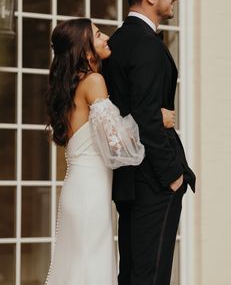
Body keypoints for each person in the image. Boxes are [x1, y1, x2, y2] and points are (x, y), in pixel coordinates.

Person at [44, 18, 174, 285]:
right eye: (99, 34)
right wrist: (155, 119)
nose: (106, 38)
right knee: (92, 270)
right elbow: (119, 146)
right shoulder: (94, 81)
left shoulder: (71, 84)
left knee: (77, 269)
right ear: (87, 50)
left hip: (77, 189)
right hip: (90, 194)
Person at [103, 0, 196, 285]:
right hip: (153, 181)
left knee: (132, 273)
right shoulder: (146, 45)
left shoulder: (117, 42)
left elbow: (124, 108)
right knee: (150, 276)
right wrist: (172, 175)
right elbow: (145, 116)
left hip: (129, 180)